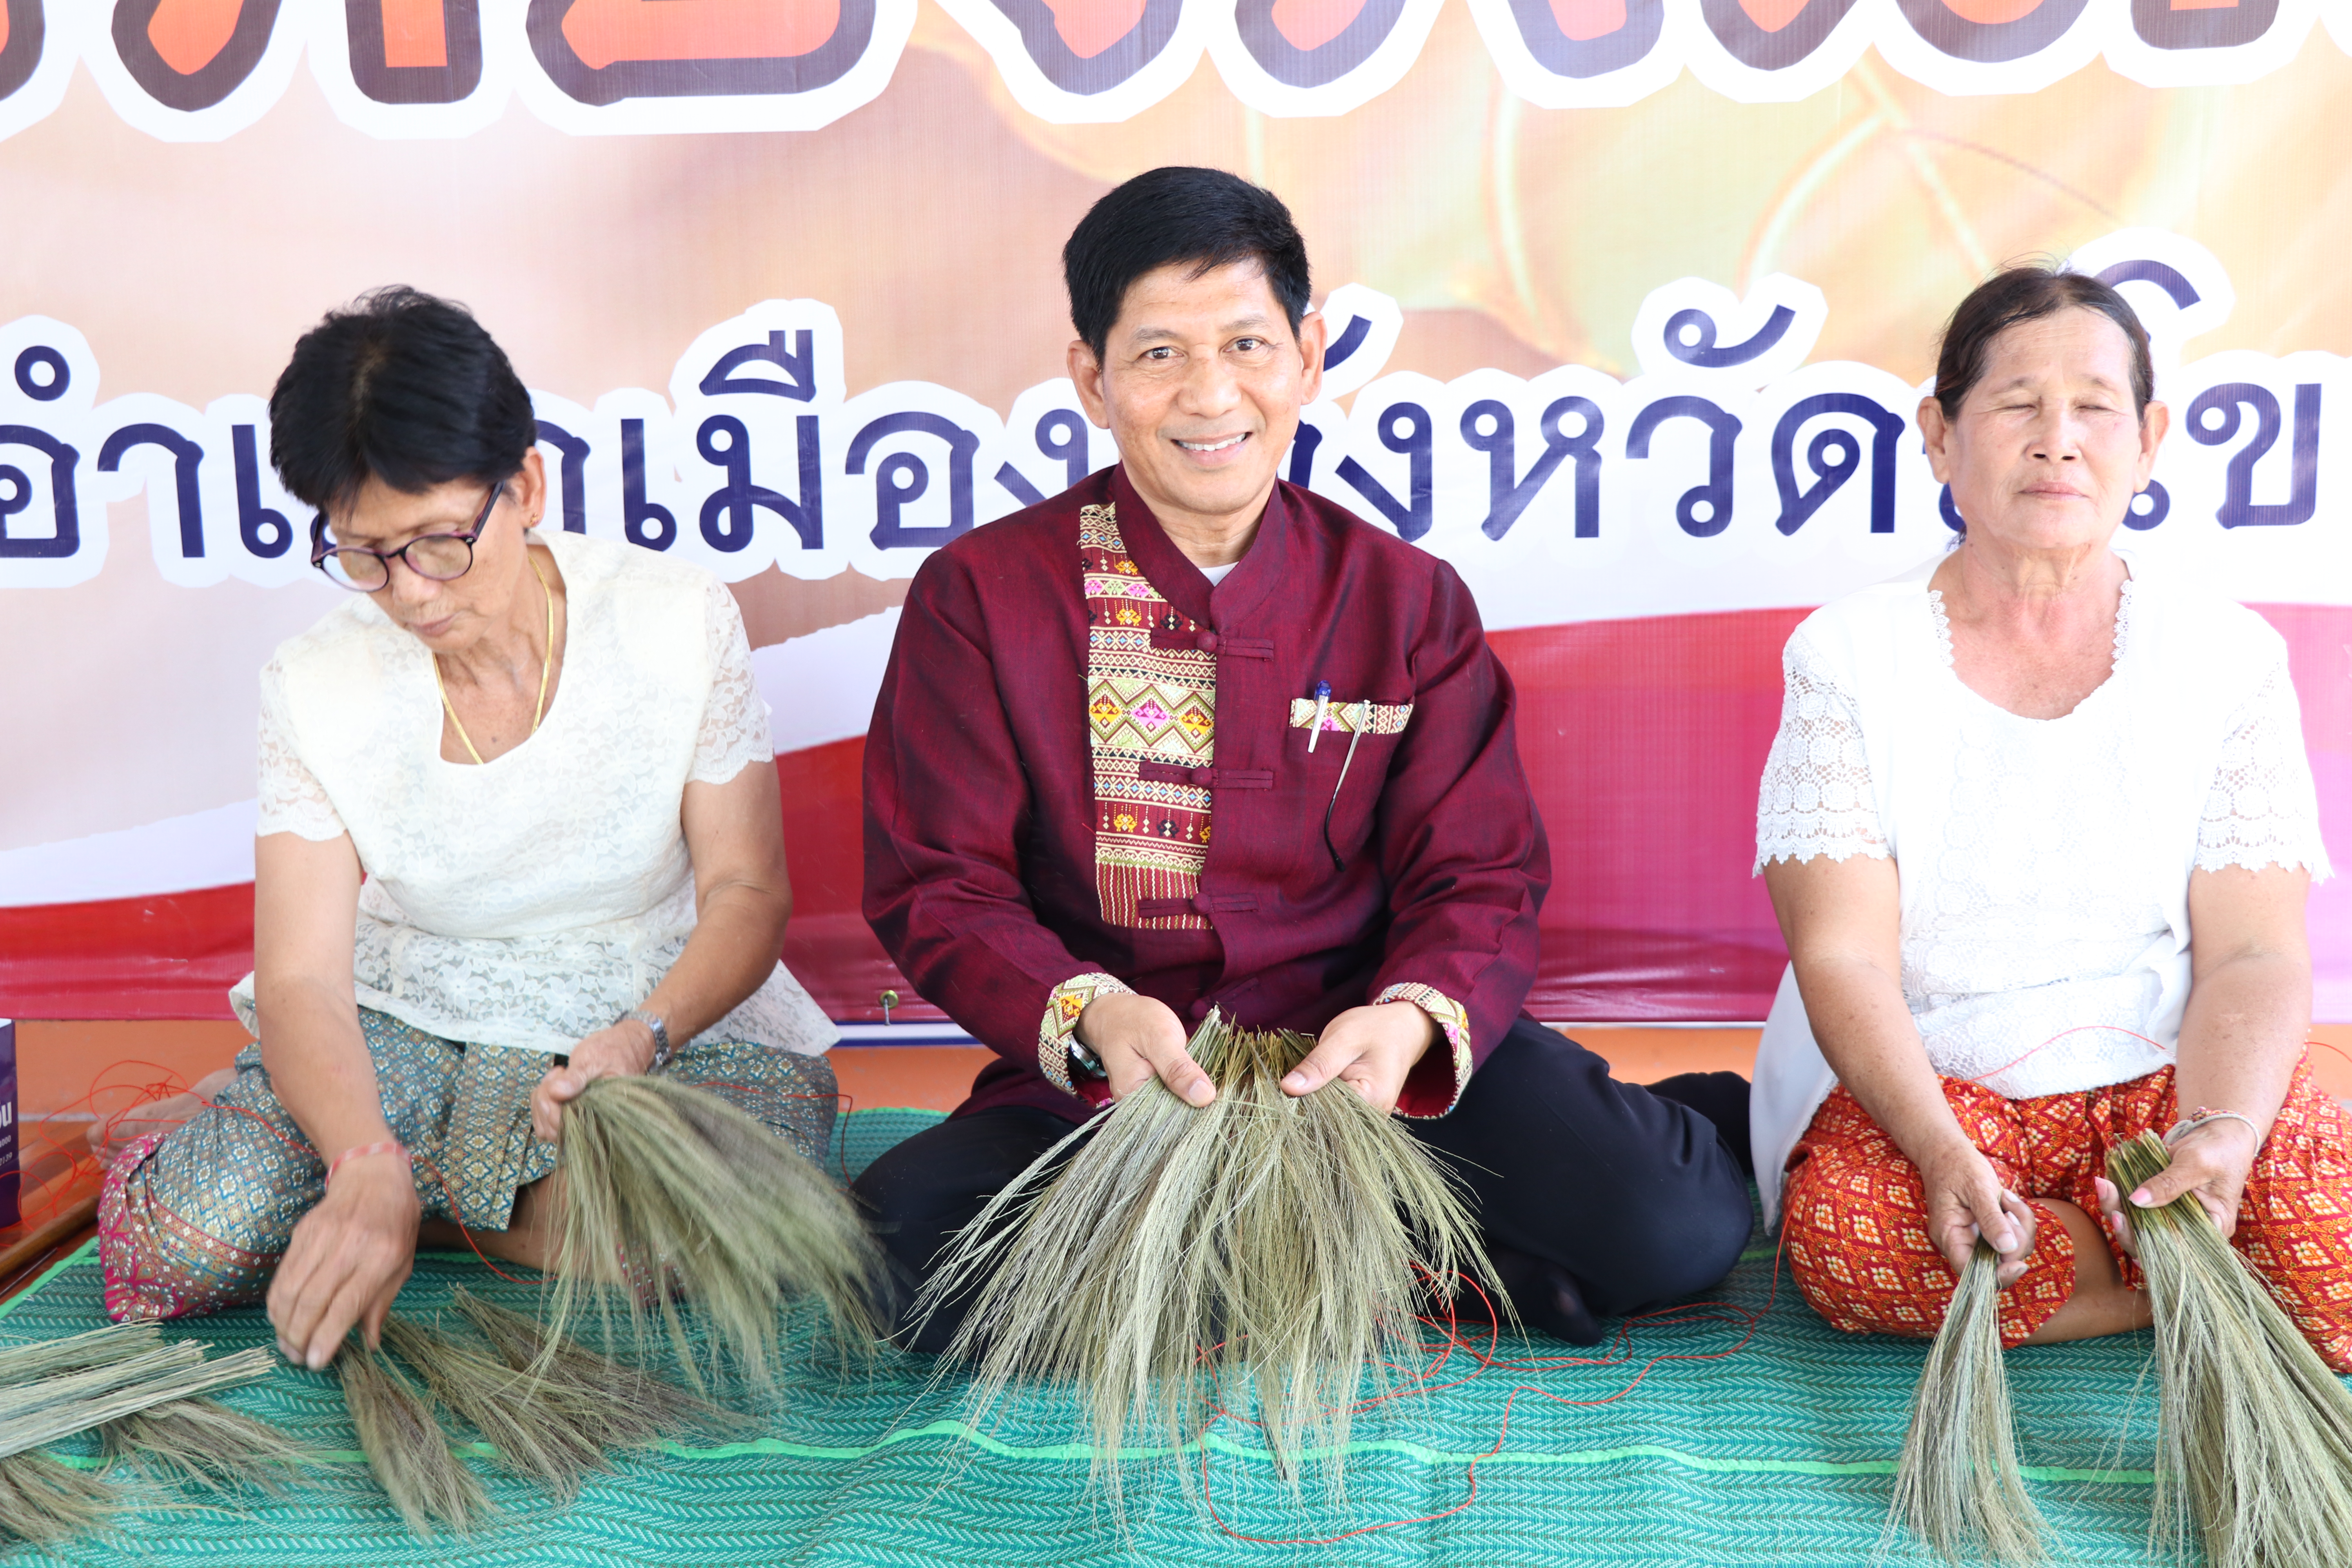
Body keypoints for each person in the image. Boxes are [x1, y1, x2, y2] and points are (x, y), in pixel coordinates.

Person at [855, 166, 1753, 1350]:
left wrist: (1408, 1026)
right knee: (895, 1260)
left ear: (1308, 355)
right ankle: (1401, 1271)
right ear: (1094, 377)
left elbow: (1477, 874)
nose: (1211, 393)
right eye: (1161, 353)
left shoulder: (1404, 600)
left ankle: (1389, 1227)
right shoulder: (982, 597)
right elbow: (941, 883)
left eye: (1246, 343)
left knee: (1673, 1228)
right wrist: (1088, 1012)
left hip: (1366, 1070)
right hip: (1124, 1083)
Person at [97, 288, 839, 1370]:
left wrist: (644, 1035)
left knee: (735, 1219)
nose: (409, 595)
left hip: (634, 1021)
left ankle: (425, 1197)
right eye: (364, 554)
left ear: (525, 486)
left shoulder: (675, 618)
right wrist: (357, 1158)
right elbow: (303, 979)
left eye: (439, 543)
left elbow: (746, 892)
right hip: (410, 1016)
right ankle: (416, 1178)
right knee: (183, 1246)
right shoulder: (315, 683)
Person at [1752, 265, 2350, 1366]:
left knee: (2340, 1243)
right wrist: (1938, 1151)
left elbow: (2257, 953)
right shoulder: (1848, 653)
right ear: (1941, 437)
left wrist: (2214, 1141)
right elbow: (1843, 958)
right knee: (1846, 1239)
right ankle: (2182, 1282)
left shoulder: (2226, 656)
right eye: (2018, 404)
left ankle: (2130, 1252)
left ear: (2149, 438)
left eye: (2094, 408)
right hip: (1939, 1085)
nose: (2058, 440)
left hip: (2166, 1079)